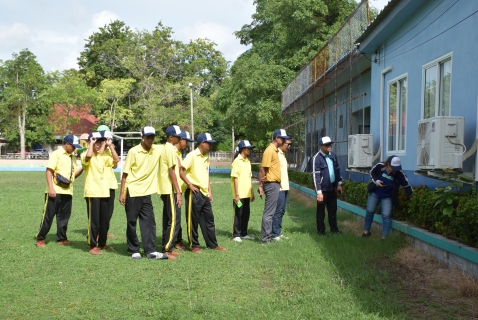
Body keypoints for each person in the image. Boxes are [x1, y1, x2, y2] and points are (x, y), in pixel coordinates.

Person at [119, 126, 168, 260]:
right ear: (142, 137)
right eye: (148, 137)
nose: (151, 139)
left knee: (149, 222)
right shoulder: (133, 151)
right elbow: (125, 174)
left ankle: (150, 251)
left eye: (152, 137)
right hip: (133, 191)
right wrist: (122, 192)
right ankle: (133, 249)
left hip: (147, 192)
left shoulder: (157, 149)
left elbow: (169, 146)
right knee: (132, 221)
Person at [180, 133, 226, 253]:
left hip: (205, 193)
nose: (210, 145)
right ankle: (194, 245)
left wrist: (210, 191)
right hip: (194, 193)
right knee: (193, 220)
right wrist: (190, 184)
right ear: (202, 143)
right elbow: (180, 170)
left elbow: (206, 175)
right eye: (209, 143)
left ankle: (213, 244)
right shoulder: (192, 156)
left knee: (209, 219)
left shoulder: (206, 156)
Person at [36, 135, 83, 247]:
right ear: (67, 144)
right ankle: (40, 238)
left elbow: (74, 174)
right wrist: (51, 188)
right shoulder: (56, 154)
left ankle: (61, 238)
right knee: (48, 216)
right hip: (55, 191)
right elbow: (49, 171)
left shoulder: (72, 157)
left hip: (68, 191)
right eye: (73, 146)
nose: (74, 148)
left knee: (64, 217)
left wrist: (83, 167)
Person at [81, 131, 119, 255]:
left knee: (104, 219)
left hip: (104, 192)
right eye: (95, 142)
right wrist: (91, 144)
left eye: (99, 142)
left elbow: (116, 160)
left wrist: (110, 146)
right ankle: (92, 245)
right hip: (92, 192)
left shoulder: (102, 156)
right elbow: (88, 157)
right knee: (94, 220)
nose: (98, 145)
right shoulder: (85, 153)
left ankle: (102, 243)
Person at [362, 155, 412, 239]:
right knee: (370, 211)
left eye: (397, 168)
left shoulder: (399, 173)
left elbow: (406, 184)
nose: (395, 170)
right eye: (393, 167)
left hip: (387, 196)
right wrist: (377, 181)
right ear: (388, 164)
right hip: (375, 192)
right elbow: (371, 172)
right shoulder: (380, 166)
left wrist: (410, 195)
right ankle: (366, 232)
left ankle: (384, 237)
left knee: (386, 215)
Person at [258, 129, 290, 244]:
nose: (285, 141)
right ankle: (266, 239)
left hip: (275, 183)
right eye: (283, 138)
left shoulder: (275, 151)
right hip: (270, 184)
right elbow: (263, 169)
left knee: (272, 212)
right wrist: (261, 186)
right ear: (277, 138)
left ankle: (269, 236)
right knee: (269, 212)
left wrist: (279, 181)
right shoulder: (269, 151)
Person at [158, 125, 183, 260]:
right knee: (174, 220)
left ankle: (168, 246)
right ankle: (168, 249)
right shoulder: (170, 149)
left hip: (167, 189)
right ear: (171, 137)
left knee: (168, 219)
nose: (179, 139)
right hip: (171, 189)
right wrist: (178, 192)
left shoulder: (166, 148)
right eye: (178, 136)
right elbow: (171, 171)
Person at [310, 136, 343, 236]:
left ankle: (334, 229)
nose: (329, 146)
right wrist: (319, 192)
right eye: (327, 145)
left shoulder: (333, 155)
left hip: (332, 187)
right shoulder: (316, 158)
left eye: (330, 144)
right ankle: (321, 231)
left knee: (332, 209)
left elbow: (337, 170)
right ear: (321, 146)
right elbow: (316, 176)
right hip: (322, 189)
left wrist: (339, 183)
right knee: (321, 210)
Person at [230, 140, 255, 242]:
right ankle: (236, 234)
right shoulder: (237, 161)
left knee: (246, 213)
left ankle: (244, 233)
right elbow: (235, 178)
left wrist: (252, 192)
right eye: (249, 148)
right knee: (238, 213)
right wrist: (237, 194)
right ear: (243, 149)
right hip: (239, 195)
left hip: (247, 194)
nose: (250, 150)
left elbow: (249, 178)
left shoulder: (248, 161)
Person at [174, 130, 194, 251]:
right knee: (174, 217)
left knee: (177, 216)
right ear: (180, 140)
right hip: (175, 190)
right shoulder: (174, 152)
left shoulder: (179, 153)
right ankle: (176, 241)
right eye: (186, 141)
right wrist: (189, 184)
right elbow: (178, 172)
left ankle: (177, 240)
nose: (186, 144)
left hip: (179, 190)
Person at [272, 138, 291, 240]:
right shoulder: (276, 153)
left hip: (285, 186)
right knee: (278, 210)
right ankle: (274, 233)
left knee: (282, 210)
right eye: (288, 144)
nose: (289, 146)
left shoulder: (283, 154)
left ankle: (278, 232)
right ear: (282, 143)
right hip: (279, 187)